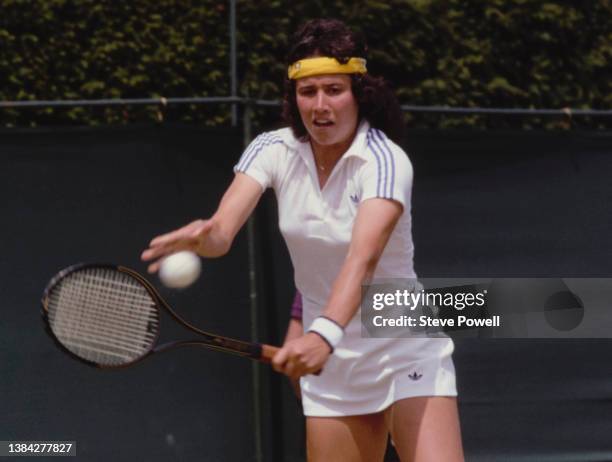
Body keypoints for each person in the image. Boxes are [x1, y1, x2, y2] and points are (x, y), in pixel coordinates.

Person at [142, 18, 463, 462]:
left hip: (403, 340)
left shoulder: (386, 161)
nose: (320, 105)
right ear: (293, 97)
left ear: (359, 93)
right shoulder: (272, 149)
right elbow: (222, 232)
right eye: (307, 92)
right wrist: (205, 236)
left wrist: (322, 335)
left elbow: (362, 260)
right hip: (332, 361)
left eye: (334, 90)